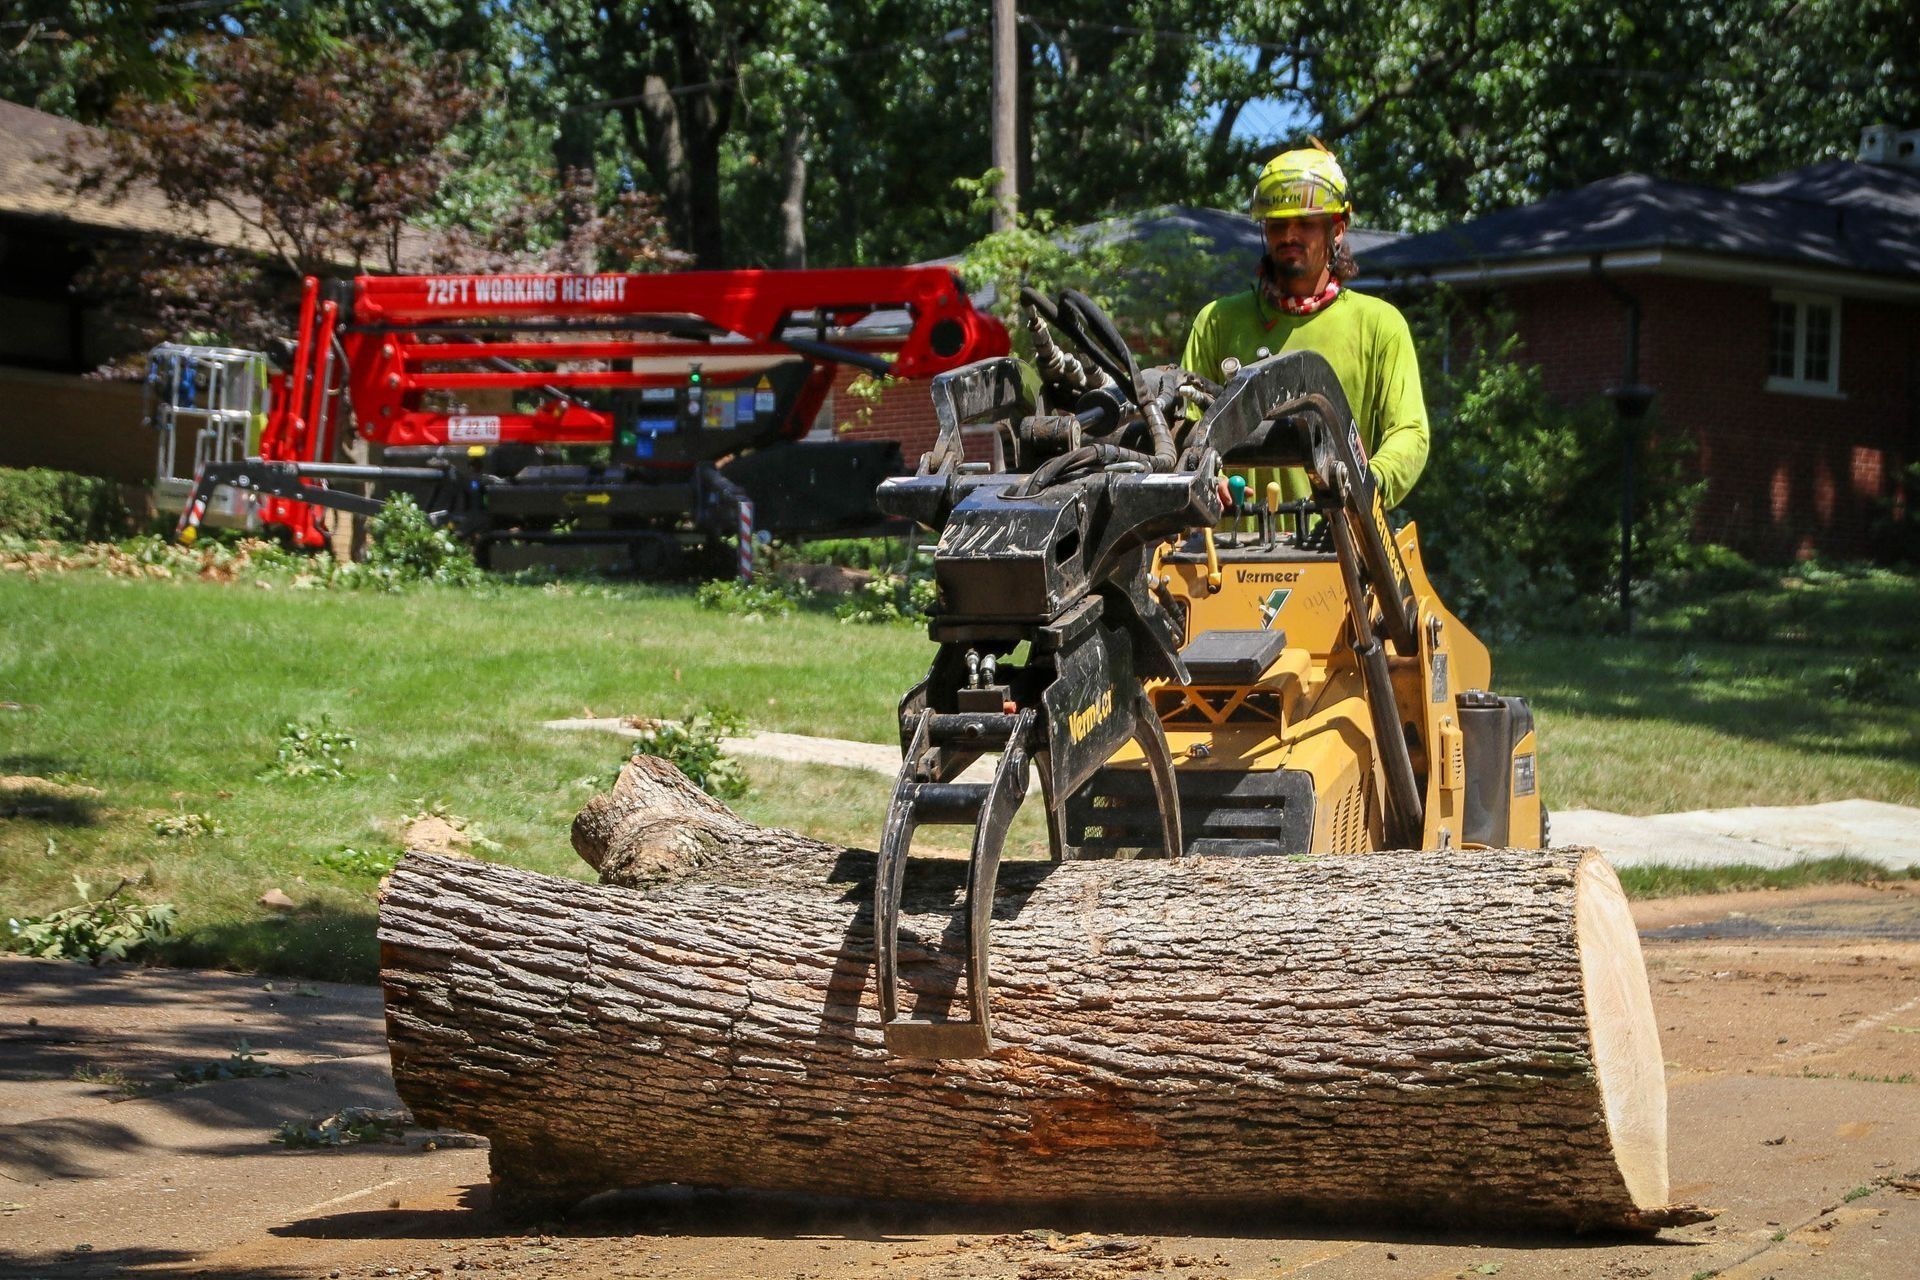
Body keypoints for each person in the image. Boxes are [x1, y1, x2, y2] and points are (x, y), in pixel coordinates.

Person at [1182, 144, 1429, 509]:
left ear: (1338, 229)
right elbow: (1182, 423)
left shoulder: (1379, 326)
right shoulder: (1217, 321)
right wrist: (1204, 476)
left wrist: (1364, 487)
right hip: (1228, 552)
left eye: (1306, 223)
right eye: (1278, 224)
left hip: (1339, 549)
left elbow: (1409, 433)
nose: (1289, 235)